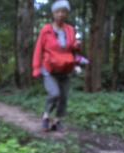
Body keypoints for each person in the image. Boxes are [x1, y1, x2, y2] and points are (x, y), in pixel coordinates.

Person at [32, 0, 80, 132]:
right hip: (49, 68)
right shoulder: (46, 30)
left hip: (66, 69)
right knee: (54, 94)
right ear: (53, 13)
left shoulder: (70, 30)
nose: (61, 14)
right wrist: (36, 67)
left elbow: (72, 50)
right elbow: (38, 49)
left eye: (64, 11)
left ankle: (57, 121)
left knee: (63, 97)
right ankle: (46, 117)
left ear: (67, 13)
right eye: (58, 11)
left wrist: (76, 49)